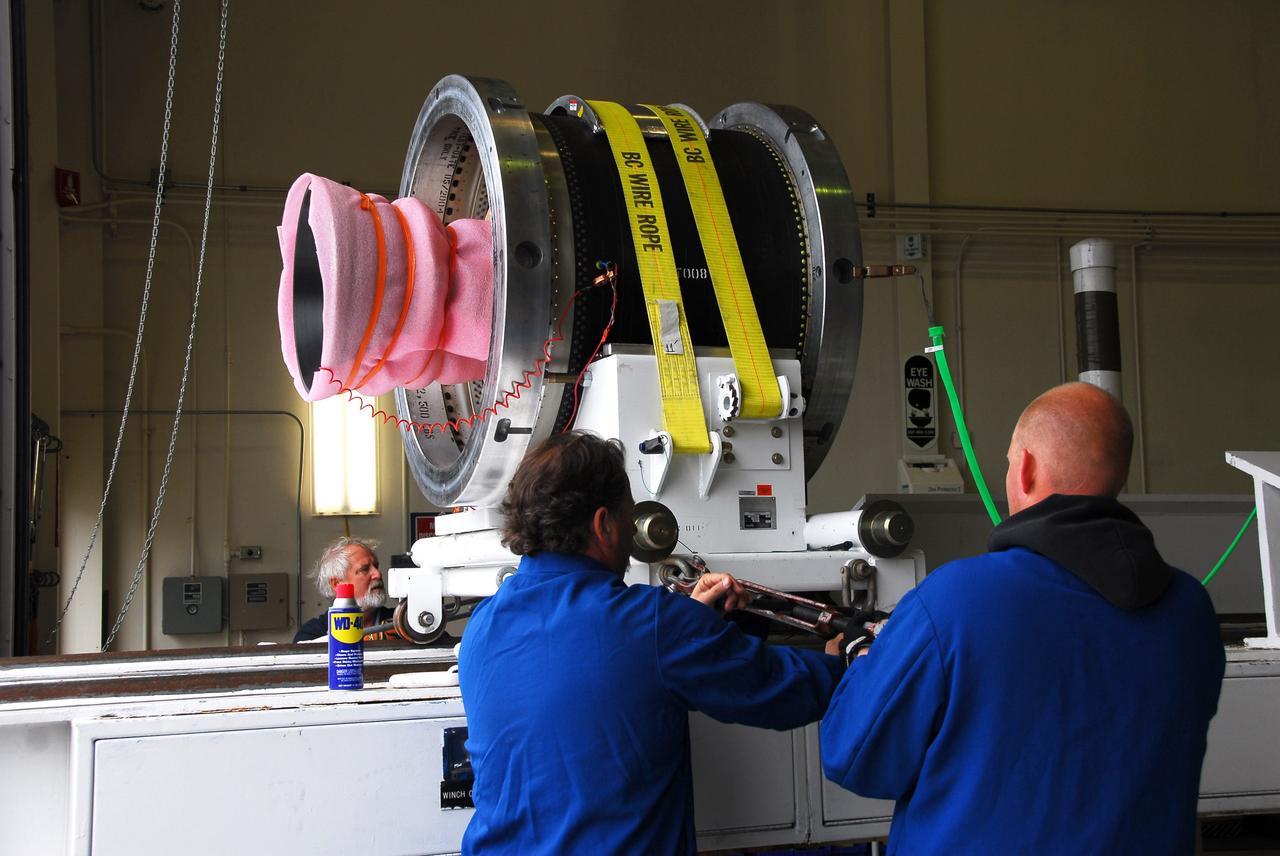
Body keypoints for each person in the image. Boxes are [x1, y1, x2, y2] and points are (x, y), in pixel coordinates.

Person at [820, 382, 1225, 854]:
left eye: (1010, 463)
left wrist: (859, 662)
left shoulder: (954, 601)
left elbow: (855, 759)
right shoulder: (1190, 610)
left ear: (1026, 468)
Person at [458, 431, 844, 855]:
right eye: (630, 515)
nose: (632, 529)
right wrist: (839, 663)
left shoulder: (483, 625)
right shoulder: (654, 624)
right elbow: (777, 691)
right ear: (603, 524)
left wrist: (692, 623)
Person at [293, 537, 395, 642]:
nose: (378, 574)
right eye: (364, 569)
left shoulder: (401, 624)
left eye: (376, 566)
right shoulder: (312, 636)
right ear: (337, 584)